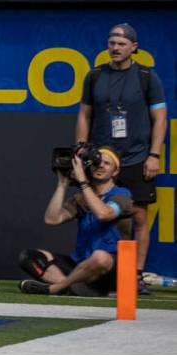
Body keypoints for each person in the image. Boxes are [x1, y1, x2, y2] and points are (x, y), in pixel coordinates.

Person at [75, 23, 166, 294]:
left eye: (122, 44)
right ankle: (100, 271)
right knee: (96, 215)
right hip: (102, 159)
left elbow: (160, 118)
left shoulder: (147, 77)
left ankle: (135, 276)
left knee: (138, 218)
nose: (115, 48)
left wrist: (154, 154)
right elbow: (84, 115)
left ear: (133, 47)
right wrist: (81, 146)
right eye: (112, 42)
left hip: (137, 157)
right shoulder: (94, 76)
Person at [19, 147, 133, 297]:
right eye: (97, 162)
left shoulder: (122, 195)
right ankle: (71, 287)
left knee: (100, 257)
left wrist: (83, 181)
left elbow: (103, 214)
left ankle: (56, 288)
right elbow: (52, 219)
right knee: (30, 256)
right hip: (81, 265)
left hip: (111, 267)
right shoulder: (81, 197)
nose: (100, 166)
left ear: (115, 171)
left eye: (107, 163)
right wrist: (62, 184)